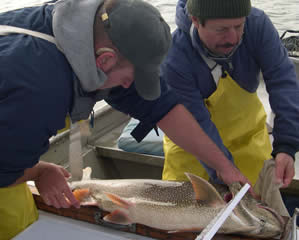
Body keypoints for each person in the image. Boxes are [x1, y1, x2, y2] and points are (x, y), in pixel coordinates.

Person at [0, 0, 255, 238]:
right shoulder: (39, 90)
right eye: (130, 79)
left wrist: (224, 167)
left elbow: (162, 108)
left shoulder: (98, 33)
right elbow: (5, 169)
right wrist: (41, 171)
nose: (129, 87)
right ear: (105, 60)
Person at [160, 0, 298, 194]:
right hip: (192, 150)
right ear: (196, 21)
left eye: (239, 26)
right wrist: (223, 170)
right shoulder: (174, 57)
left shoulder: (257, 25)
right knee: (186, 218)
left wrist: (286, 146)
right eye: (221, 29)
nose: (233, 38)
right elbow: (196, 121)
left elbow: (283, 81)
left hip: (248, 142)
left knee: (262, 215)